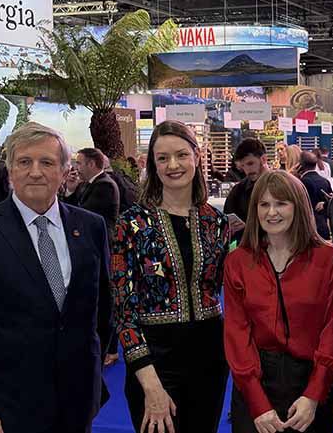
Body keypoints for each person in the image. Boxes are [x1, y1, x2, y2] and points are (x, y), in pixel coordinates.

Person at [0, 122, 112, 433]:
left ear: (65, 170)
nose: (35, 172)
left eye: (47, 162)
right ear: (10, 171)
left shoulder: (91, 227)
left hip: (78, 399)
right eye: (24, 162)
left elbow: (103, 308)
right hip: (5, 407)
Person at [112, 120, 230, 433]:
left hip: (210, 361)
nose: (172, 165)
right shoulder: (131, 224)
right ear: (152, 163)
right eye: (162, 158)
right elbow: (123, 310)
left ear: (197, 155)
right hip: (154, 362)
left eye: (180, 155)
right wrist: (149, 383)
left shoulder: (215, 222)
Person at [224, 171, 333, 433]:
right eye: (264, 204)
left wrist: (314, 394)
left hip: (312, 381)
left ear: (299, 206)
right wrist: (257, 403)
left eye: (281, 203)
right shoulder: (238, 262)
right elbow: (237, 333)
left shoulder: (326, 258)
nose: (272, 212)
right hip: (256, 381)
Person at [224, 138, 270, 245]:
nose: (247, 171)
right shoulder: (238, 191)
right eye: (243, 166)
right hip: (250, 250)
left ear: (263, 159)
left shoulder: (285, 186)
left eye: (250, 163)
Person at [64, 148, 121, 231]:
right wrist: (70, 190)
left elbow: (83, 214)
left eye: (79, 164)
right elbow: (72, 209)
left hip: (98, 240)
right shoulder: (85, 183)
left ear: (91, 164)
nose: (76, 168)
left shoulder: (105, 186)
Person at [299, 151, 333, 240]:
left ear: (300, 165)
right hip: (323, 227)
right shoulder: (325, 181)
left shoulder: (302, 182)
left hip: (308, 229)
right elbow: (331, 199)